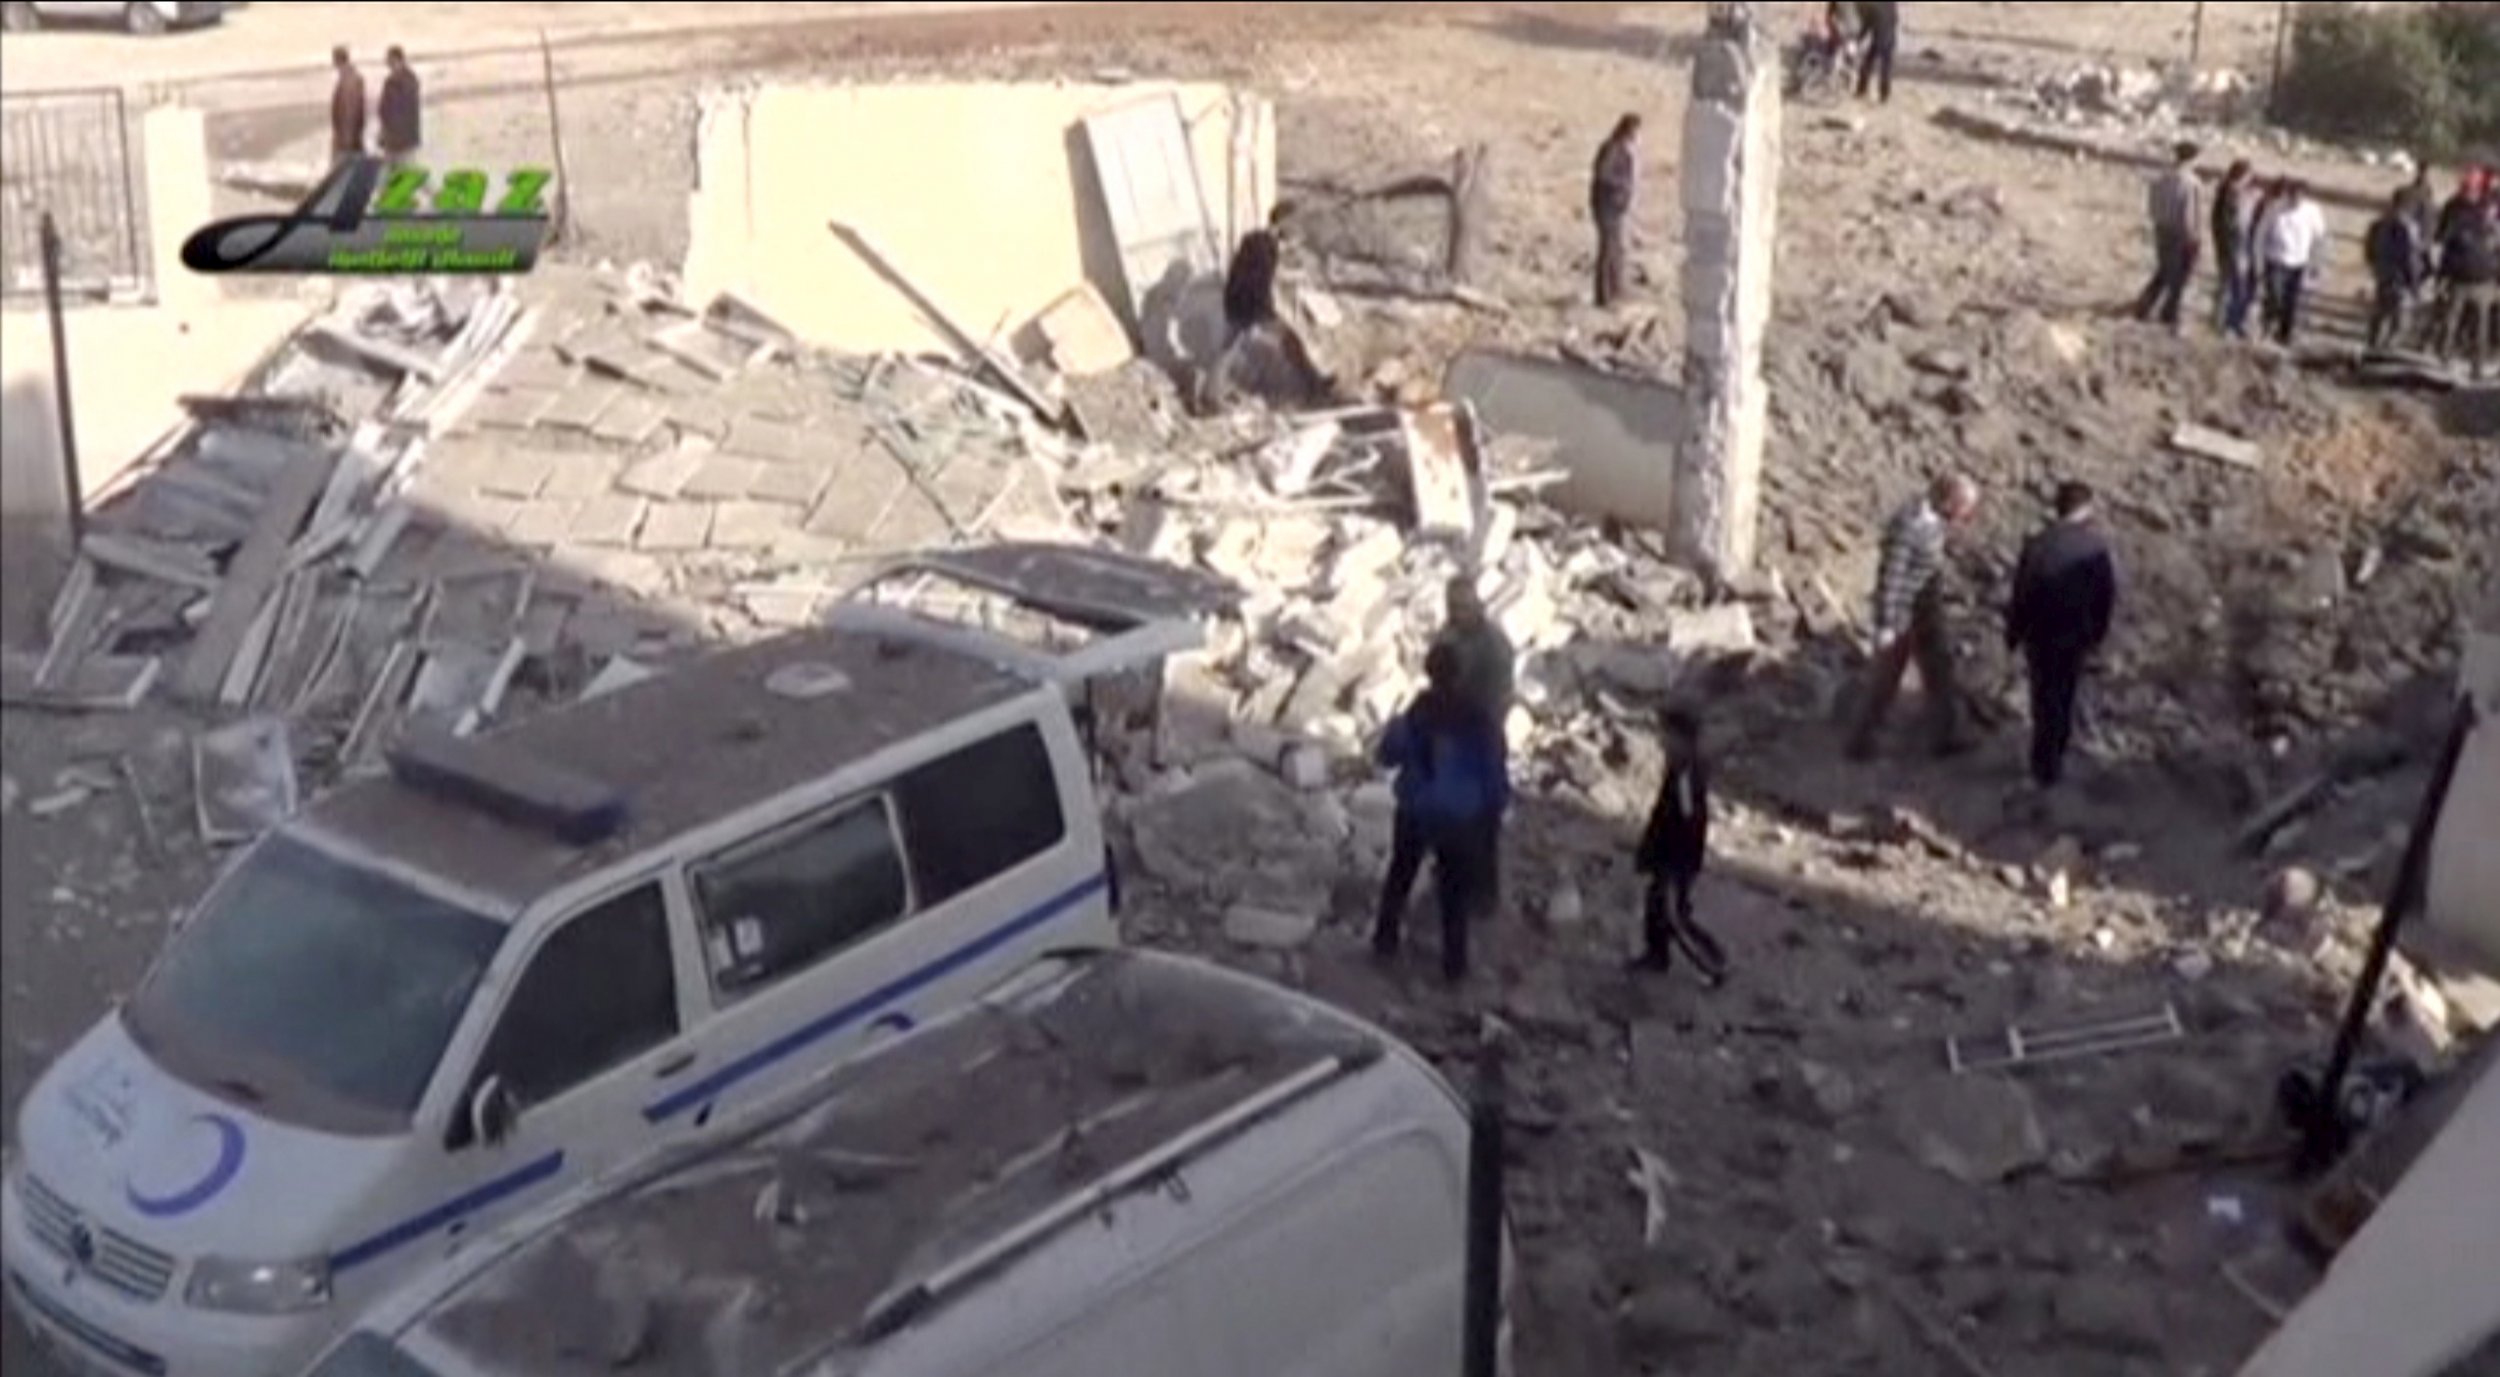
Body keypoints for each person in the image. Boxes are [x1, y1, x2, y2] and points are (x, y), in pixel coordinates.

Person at [1372, 644, 1510, 985]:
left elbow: (1388, 755)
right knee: (1453, 894)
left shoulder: (1418, 712)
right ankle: (1454, 967)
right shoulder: (1480, 720)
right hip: (1459, 817)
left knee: (1400, 875)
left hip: (1416, 809)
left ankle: (1384, 941)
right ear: (1461, 674)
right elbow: (1493, 772)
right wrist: (1494, 809)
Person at [1847, 474, 1979, 762]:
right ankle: (1861, 741)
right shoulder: (1909, 526)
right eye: (1963, 508)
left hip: (1927, 613)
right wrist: (1886, 623)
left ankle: (1945, 735)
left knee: (1940, 673)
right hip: (1903, 616)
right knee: (1886, 681)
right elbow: (1891, 576)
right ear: (1948, 502)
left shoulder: (1933, 523)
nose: (1965, 517)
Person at [2005, 482, 2118, 792]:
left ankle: (2041, 763)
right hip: (2074, 636)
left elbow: (2022, 592)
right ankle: (2054, 761)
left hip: (2039, 635)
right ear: (2086, 508)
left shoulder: (2038, 544)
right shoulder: (2094, 548)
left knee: (2042, 697)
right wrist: (2097, 635)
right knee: (2064, 696)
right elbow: (2105, 597)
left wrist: (2013, 634)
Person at [1433, 577, 1516, 910]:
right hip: (1450, 737)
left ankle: (1483, 892)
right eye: (1452, 607)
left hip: (1482, 739)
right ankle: (1452, 876)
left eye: (1463, 608)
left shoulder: (1495, 646)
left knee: (1483, 819)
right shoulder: (1448, 634)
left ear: (1477, 605)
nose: (1456, 614)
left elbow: (1498, 700)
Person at [1632, 708, 1722, 983]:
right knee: (1655, 907)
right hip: (1667, 856)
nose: (1661, 741)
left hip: (1675, 860)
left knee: (1675, 916)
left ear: (1682, 739)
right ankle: (1655, 956)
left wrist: (1668, 857)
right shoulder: (1678, 769)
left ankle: (1713, 964)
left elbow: (1687, 822)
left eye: (1667, 735)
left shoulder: (1686, 776)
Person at [2135, 141, 2204, 331]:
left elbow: (2152, 206)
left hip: (2161, 229)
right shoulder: (2191, 183)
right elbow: (2189, 213)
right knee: (2179, 277)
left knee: (2164, 271)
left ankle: (2145, 305)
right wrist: (2193, 237)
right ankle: (2169, 313)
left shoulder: (2162, 178)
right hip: (2181, 234)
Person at [2435, 197, 2498, 379]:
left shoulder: (2490, 232)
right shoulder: (2471, 230)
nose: (2490, 215)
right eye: (2489, 211)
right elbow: (2448, 255)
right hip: (2468, 283)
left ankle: (2471, 364)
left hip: (2477, 284)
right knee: (2456, 323)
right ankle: (2449, 360)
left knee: (2473, 327)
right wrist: (2442, 278)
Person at [2259, 179, 2327, 346]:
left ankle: (2285, 334)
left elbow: (2319, 238)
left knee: (2292, 300)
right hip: (2276, 259)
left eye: (2299, 196)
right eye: (2292, 196)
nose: (2295, 200)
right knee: (2274, 296)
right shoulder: (2275, 208)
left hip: (2299, 262)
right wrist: (2259, 259)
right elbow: (2262, 233)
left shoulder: (2312, 211)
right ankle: (2267, 326)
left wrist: (2317, 262)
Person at [2366, 188, 2427, 353]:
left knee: (2380, 314)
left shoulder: (2378, 224)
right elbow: (2410, 258)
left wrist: (2375, 267)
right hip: (2402, 279)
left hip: (2383, 275)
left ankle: (2372, 347)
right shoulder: (2408, 228)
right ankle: (2386, 350)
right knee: (2401, 320)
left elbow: (2369, 250)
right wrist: (2415, 284)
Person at [1590, 115, 1640, 308]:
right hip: (1607, 207)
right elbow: (1603, 174)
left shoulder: (1622, 150)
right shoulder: (1613, 149)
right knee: (1608, 250)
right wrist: (1621, 186)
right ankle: (1604, 295)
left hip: (1615, 208)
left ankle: (1615, 291)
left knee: (1616, 250)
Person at [2211, 159, 2257, 336]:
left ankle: (2219, 319)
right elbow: (2236, 224)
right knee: (2235, 286)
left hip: (2226, 245)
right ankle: (2229, 322)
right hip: (2235, 246)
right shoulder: (2234, 194)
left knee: (2225, 284)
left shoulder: (2226, 192)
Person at [378, 46, 422, 166]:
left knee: (403, 171)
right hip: (397, 138)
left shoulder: (404, 81)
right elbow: (385, 111)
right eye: (388, 62)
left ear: (400, 60)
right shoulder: (396, 81)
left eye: (391, 61)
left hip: (401, 139)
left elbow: (397, 111)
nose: (389, 65)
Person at [1855, 0, 1901, 103]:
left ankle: (1861, 89)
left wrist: (1858, 39)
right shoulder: (1891, 4)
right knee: (1885, 69)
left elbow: (1867, 25)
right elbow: (1895, 19)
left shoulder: (1873, 6)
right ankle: (1884, 94)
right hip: (1890, 39)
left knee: (1867, 63)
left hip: (1878, 39)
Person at [329, 46, 367, 164]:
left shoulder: (348, 80)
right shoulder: (351, 77)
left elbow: (349, 110)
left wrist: (346, 137)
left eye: (334, 59)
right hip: (350, 133)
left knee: (343, 169)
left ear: (337, 60)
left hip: (346, 136)